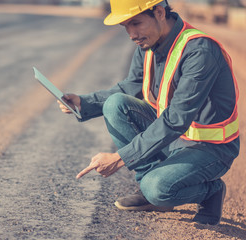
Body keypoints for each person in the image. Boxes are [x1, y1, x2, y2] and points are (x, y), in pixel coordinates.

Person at [58, 0, 239, 225]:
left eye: (136, 23)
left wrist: (119, 158)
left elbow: (176, 120)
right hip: (176, 140)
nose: (131, 33)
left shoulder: (200, 52)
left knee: (158, 188)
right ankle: (150, 191)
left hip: (210, 148)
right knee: (115, 104)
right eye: (126, 26)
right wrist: (84, 103)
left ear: (160, 12)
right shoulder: (148, 44)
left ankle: (209, 191)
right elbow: (129, 87)